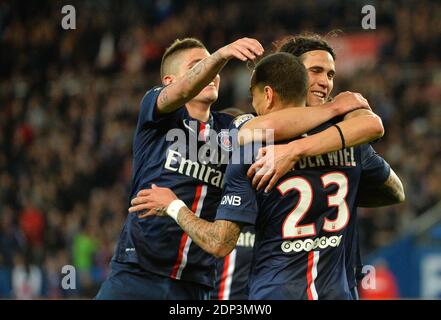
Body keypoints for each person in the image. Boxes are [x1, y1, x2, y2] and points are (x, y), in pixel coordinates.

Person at [128, 52, 401, 299]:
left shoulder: (252, 149)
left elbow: (220, 242)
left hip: (275, 291)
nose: (252, 106)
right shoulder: (349, 139)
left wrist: (174, 206)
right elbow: (395, 191)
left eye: (253, 97)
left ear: (268, 95)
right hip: (337, 291)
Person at [95, 37, 265, 299]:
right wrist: (220, 56)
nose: (212, 72)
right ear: (169, 82)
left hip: (194, 285)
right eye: (198, 65)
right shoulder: (157, 113)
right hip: (136, 275)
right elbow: (183, 92)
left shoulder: (230, 129)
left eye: (213, 67)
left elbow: (272, 126)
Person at [245, 34, 405, 299]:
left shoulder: (262, 136)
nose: (325, 82)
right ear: (292, 74)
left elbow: (397, 190)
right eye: (316, 71)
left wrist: (297, 151)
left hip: (304, 286)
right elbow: (393, 190)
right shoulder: (344, 133)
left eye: (330, 74)